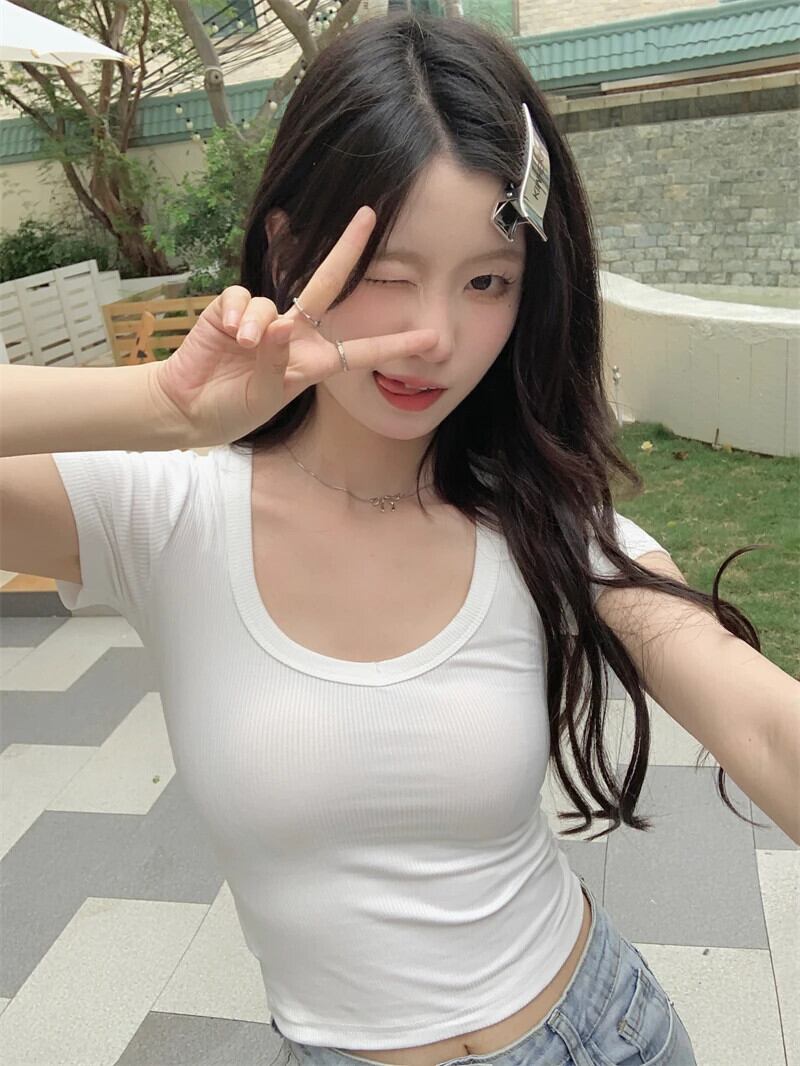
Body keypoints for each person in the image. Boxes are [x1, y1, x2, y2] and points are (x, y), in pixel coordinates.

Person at [2, 10, 797, 1066]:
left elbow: (762, 724)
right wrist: (157, 408)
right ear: (290, 246)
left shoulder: (548, 523)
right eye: (387, 269)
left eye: (487, 280)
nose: (435, 336)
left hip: (603, 1031)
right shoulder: (162, 507)